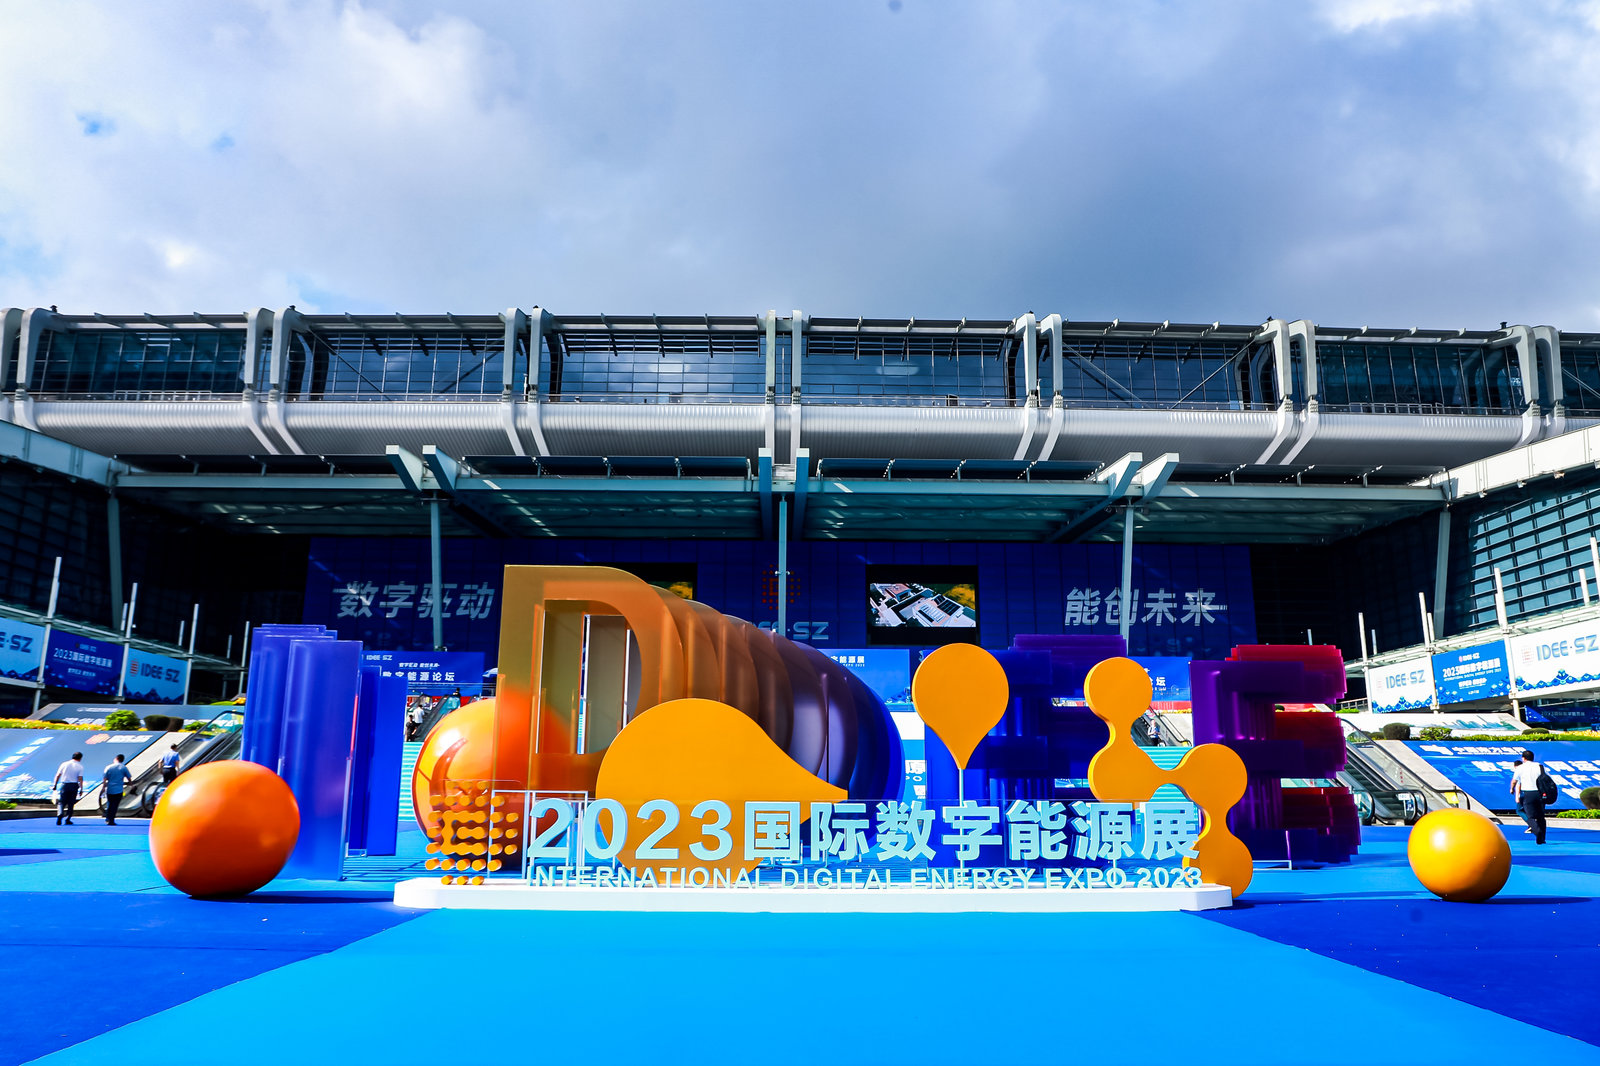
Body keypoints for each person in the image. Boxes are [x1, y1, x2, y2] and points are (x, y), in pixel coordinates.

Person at [1510, 748, 1548, 845]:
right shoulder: (1540, 766)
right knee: (1541, 817)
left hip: (1528, 793)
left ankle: (1537, 832)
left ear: (1523, 758)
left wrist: (1512, 789)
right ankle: (1542, 838)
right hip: (1540, 793)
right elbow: (1546, 778)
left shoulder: (1520, 768)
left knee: (1530, 816)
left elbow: (1514, 781)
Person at [52, 751, 85, 826]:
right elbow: (80, 778)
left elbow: (58, 775)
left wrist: (55, 785)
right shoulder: (80, 766)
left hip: (65, 784)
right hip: (74, 785)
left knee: (62, 802)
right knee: (71, 803)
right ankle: (68, 818)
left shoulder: (64, 764)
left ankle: (60, 814)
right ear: (80, 758)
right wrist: (81, 789)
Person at [102, 754, 133, 826]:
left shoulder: (109, 767)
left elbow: (105, 778)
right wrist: (131, 785)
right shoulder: (124, 767)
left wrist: (103, 787)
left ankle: (107, 817)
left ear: (116, 758)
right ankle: (112, 819)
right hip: (119, 789)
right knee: (115, 805)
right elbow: (129, 777)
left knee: (110, 803)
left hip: (110, 788)